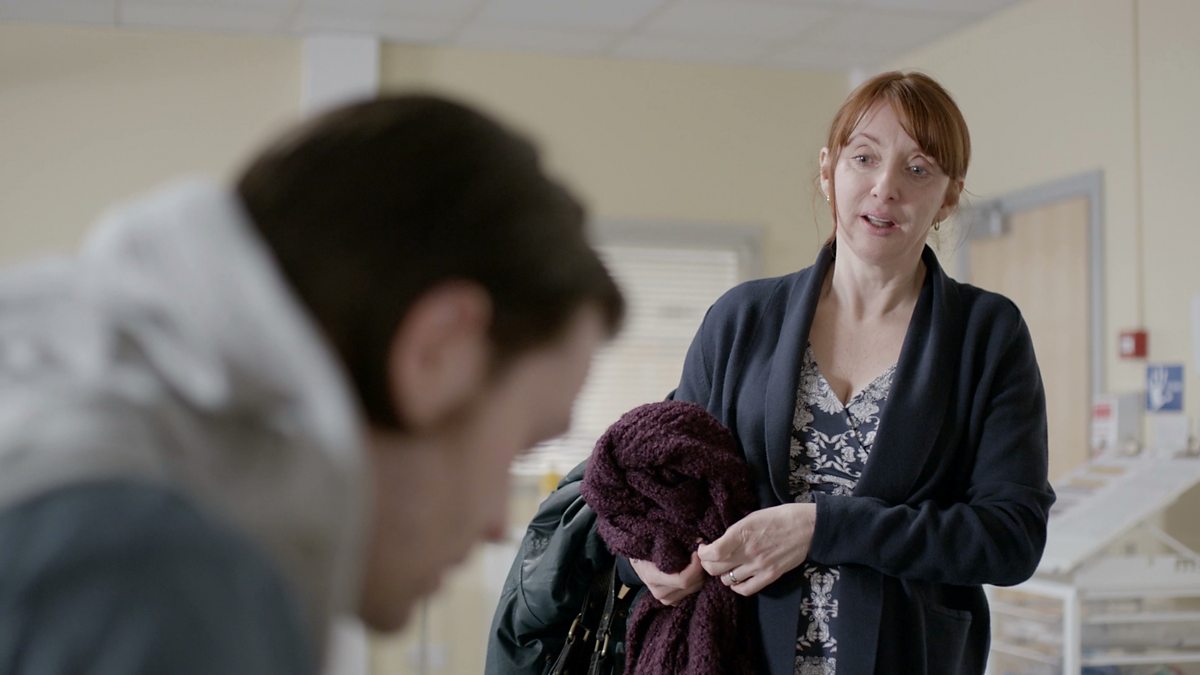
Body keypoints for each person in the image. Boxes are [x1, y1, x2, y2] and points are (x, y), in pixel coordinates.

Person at [0, 94, 624, 674]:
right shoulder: (157, 578)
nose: (494, 523)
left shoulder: (68, 445)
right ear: (436, 352)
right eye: (518, 445)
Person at [622, 71, 1055, 675]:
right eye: (864, 158)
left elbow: (1011, 537)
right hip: (740, 655)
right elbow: (665, 485)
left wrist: (824, 528)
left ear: (949, 197)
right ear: (828, 170)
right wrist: (644, 557)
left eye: (918, 168)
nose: (886, 188)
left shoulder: (986, 333)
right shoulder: (742, 319)